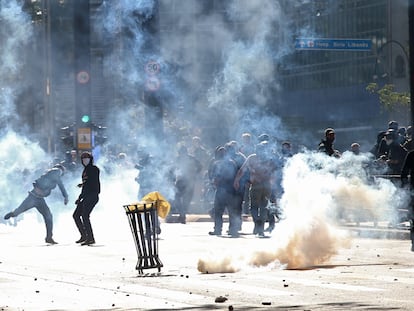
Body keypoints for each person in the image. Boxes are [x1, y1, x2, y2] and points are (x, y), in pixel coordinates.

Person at [3, 164, 68, 244]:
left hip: (37, 198)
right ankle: (49, 237)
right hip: (35, 198)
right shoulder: (56, 171)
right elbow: (61, 185)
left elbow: (39, 182)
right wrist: (66, 196)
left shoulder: (50, 174)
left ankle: (13, 213)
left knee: (47, 216)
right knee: (48, 217)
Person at [234, 141, 277, 237]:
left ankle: (257, 224)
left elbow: (242, 170)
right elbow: (273, 174)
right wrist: (272, 185)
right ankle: (260, 228)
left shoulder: (252, 158)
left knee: (254, 207)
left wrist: (237, 180)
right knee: (263, 208)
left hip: (256, 185)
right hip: (266, 186)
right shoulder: (269, 159)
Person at [208, 146, 239, 237]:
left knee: (220, 211)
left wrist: (215, 182)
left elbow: (213, 177)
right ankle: (231, 230)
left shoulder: (217, 163)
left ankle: (219, 230)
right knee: (229, 211)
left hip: (223, 190)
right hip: (228, 190)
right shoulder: (232, 163)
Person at [73, 151, 101, 246]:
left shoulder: (93, 169)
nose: (85, 160)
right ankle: (84, 236)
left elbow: (90, 182)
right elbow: (86, 184)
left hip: (92, 195)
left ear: (91, 159)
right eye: (83, 159)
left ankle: (90, 238)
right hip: (86, 195)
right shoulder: (85, 171)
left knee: (85, 215)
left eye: (86, 158)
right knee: (76, 215)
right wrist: (83, 185)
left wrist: (80, 196)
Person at [172, 146, 202, 224]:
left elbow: (200, 166)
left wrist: (194, 173)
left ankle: (182, 215)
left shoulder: (190, 159)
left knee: (185, 199)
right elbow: (173, 168)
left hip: (187, 181)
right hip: (182, 181)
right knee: (178, 197)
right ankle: (182, 214)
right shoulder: (179, 159)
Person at [400, 149, 414, 251]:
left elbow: (404, 174)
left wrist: (406, 188)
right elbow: (404, 174)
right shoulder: (411, 154)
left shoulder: (411, 154)